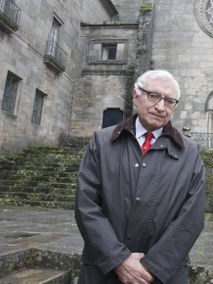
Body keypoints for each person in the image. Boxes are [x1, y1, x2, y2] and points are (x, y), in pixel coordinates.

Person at [75, 70, 206, 284]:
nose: (161, 107)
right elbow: (86, 206)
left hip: (161, 276)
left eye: (169, 101)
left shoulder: (190, 153)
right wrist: (119, 260)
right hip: (104, 271)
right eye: (153, 96)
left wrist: (151, 267)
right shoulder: (102, 142)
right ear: (136, 96)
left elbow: (191, 219)